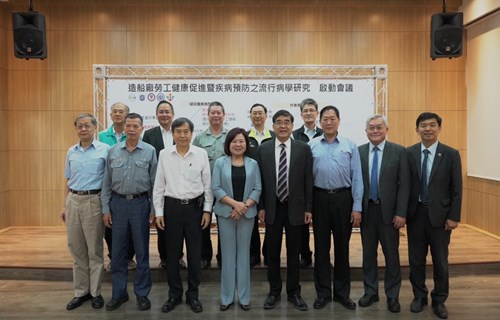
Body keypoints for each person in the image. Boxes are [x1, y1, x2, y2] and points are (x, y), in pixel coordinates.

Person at [154, 117, 214, 314]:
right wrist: (159, 212)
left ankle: (193, 294)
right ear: (173, 133)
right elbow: (159, 186)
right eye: (178, 131)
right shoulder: (164, 154)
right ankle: (174, 294)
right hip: (171, 208)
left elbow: (207, 185)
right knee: (172, 255)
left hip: (195, 210)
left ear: (191, 133)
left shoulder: (201, 154)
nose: (182, 135)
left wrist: (207, 211)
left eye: (186, 131)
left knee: (195, 255)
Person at [406, 112, 462, 319]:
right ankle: (419, 296)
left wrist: (454, 216)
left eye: (432, 125)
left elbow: (457, 189)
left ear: (439, 128)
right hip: (416, 215)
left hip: (441, 217)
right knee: (416, 259)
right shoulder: (409, 153)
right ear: (417, 129)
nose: (427, 129)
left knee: (440, 260)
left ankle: (439, 299)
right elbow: (405, 186)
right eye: (423, 125)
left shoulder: (450, 154)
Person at [257, 109, 313, 311]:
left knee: (294, 252)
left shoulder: (303, 149)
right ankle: (273, 291)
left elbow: (308, 180)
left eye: (287, 122)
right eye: (278, 122)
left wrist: (308, 208)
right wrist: (261, 207)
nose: (282, 125)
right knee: (272, 253)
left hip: (295, 207)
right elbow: (260, 182)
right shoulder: (263, 149)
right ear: (273, 126)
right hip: (272, 208)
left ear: (292, 125)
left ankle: (293, 292)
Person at [101, 113, 157, 312]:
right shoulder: (113, 151)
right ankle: (119, 294)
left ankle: (142, 294)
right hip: (117, 204)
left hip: (140, 204)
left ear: (142, 128)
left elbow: (154, 183)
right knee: (118, 252)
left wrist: (153, 208)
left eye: (135, 126)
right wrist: (105, 208)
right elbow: (106, 182)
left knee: (142, 251)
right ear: (123, 128)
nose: (131, 129)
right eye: (128, 126)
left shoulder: (150, 151)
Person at [309, 105, 363, 311]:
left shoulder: (350, 145)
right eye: (325, 119)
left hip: (343, 199)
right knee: (321, 249)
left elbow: (357, 177)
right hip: (319, 199)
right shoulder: (312, 145)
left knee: (342, 248)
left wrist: (356, 207)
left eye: (332, 118)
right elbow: (307, 180)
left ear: (339, 120)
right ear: (320, 121)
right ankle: (323, 294)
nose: (329, 122)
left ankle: (342, 293)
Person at [357, 114, 410, 313]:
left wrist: (401, 212)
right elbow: (356, 183)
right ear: (366, 131)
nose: (375, 131)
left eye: (379, 127)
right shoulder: (359, 152)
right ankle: (370, 292)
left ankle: (393, 295)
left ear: (386, 130)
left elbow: (405, 185)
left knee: (391, 255)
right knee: (368, 255)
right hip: (368, 211)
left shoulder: (398, 151)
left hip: (389, 214)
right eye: (371, 128)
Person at [60, 114, 109, 311]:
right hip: (73, 200)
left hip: (93, 201)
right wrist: (64, 205)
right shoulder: (71, 151)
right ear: (76, 129)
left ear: (95, 128)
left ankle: (96, 293)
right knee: (76, 249)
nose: (83, 129)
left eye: (87, 125)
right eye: (79, 126)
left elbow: (108, 182)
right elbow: (67, 179)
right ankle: (81, 292)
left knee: (94, 250)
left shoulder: (105, 150)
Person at [212, 128, 262, 312]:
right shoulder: (219, 163)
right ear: (228, 144)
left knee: (243, 257)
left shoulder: (253, 164)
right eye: (234, 141)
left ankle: (244, 297)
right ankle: (226, 298)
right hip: (226, 214)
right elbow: (215, 187)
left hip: (247, 215)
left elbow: (257, 189)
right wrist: (235, 205)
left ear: (246, 144)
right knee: (227, 256)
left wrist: (244, 206)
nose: (238, 144)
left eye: (241, 141)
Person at [142, 100, 186, 270]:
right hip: (158, 183)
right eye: (161, 111)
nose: (164, 114)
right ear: (156, 115)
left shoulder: (180, 131)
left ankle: (179, 257)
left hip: (179, 183)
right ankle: (164, 257)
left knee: (179, 225)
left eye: (167, 111)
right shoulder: (149, 134)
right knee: (162, 222)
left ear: (173, 114)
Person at [98, 102, 136, 271]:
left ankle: (128, 258)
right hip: (111, 188)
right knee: (111, 227)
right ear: (110, 114)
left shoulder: (135, 136)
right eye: (115, 111)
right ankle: (114, 258)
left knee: (131, 229)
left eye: (121, 112)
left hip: (133, 190)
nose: (118, 114)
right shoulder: (101, 136)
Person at [192, 101, 228, 269]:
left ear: (223, 115)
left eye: (218, 113)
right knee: (202, 224)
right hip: (204, 187)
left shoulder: (230, 136)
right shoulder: (199, 138)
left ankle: (223, 256)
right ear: (207, 116)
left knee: (224, 223)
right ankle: (204, 256)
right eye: (212, 113)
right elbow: (193, 162)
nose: (215, 115)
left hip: (225, 188)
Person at [292, 98, 323, 269]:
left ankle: (322, 257)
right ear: (301, 114)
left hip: (319, 185)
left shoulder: (324, 132)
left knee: (320, 226)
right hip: (300, 187)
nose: (309, 113)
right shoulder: (294, 134)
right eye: (306, 110)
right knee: (301, 223)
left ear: (317, 113)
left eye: (312, 110)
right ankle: (305, 254)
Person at [247, 103, 275, 267]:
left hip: (271, 185)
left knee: (270, 221)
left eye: (260, 113)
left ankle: (268, 253)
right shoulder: (245, 136)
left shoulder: (274, 135)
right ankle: (254, 254)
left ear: (266, 116)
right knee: (251, 221)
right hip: (250, 186)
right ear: (250, 116)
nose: (257, 116)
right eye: (254, 113)